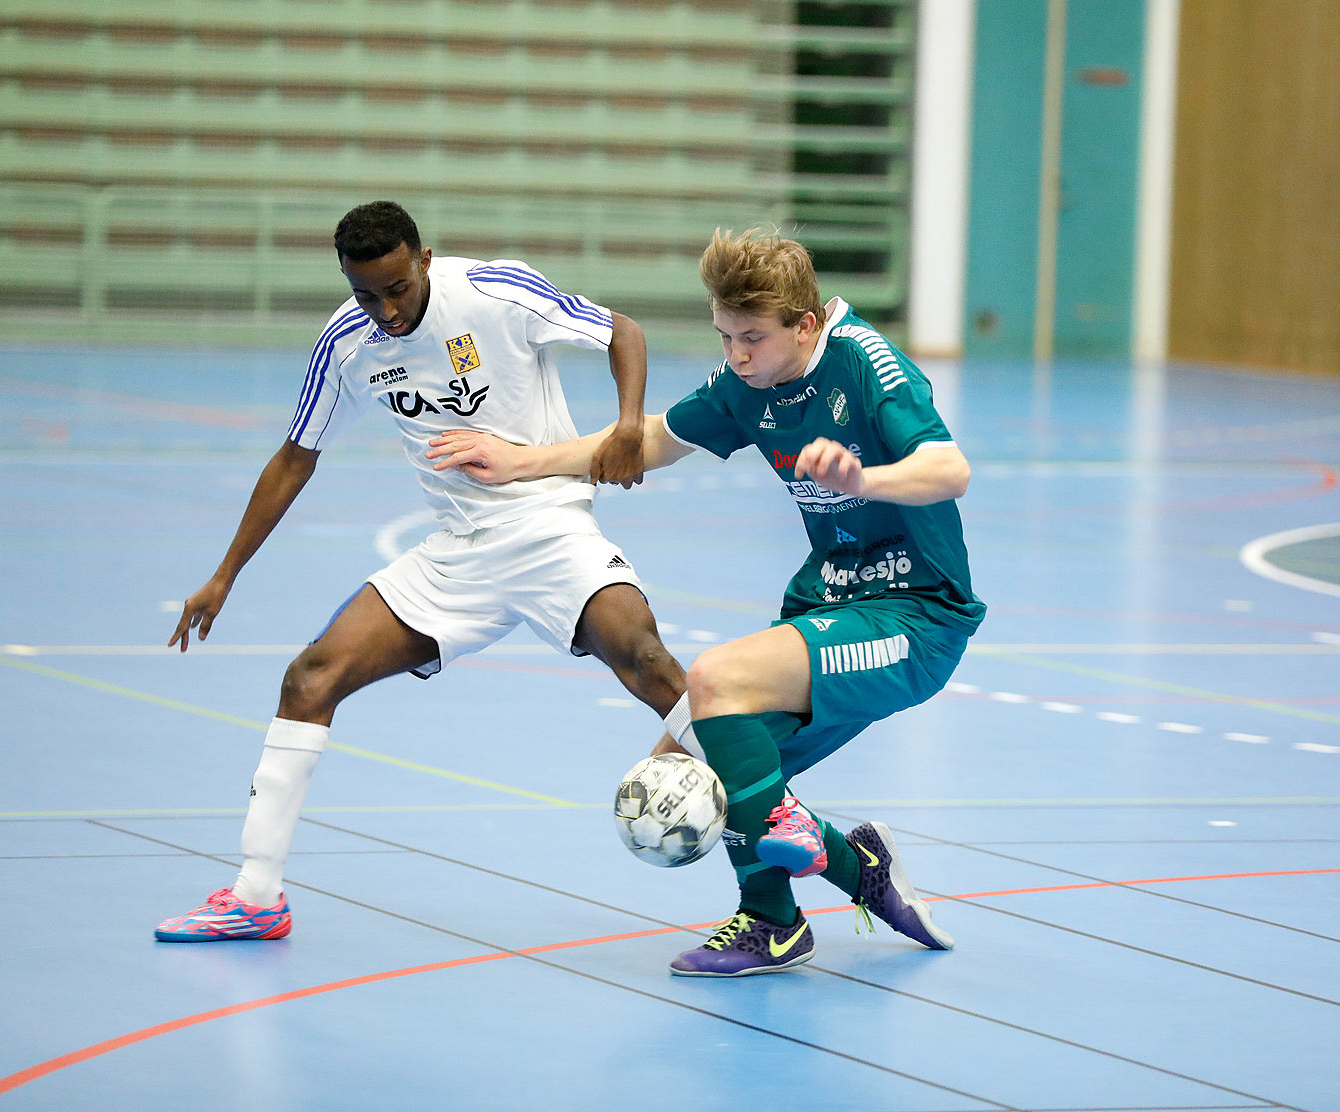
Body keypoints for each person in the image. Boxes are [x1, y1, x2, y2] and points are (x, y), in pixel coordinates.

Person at [425, 226, 984, 976]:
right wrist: (522, 461)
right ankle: (825, 892)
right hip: (828, 604)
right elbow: (653, 439)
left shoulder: (869, 367)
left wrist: (866, 481)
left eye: (753, 338)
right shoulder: (745, 384)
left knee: (713, 681)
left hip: (916, 617)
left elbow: (950, 470)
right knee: (690, 768)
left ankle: (782, 893)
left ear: (806, 325)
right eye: (725, 337)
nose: (738, 355)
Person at [155, 200, 688, 942]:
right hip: (458, 550)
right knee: (310, 678)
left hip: (548, 527)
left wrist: (628, 424)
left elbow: (620, 329)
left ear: (424, 259)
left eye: (398, 288)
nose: (386, 310)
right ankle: (256, 895)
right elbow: (295, 456)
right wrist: (224, 575)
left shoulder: (496, 292)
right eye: (366, 294)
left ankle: (784, 819)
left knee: (649, 661)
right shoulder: (347, 344)